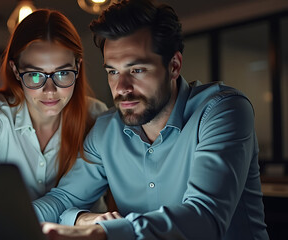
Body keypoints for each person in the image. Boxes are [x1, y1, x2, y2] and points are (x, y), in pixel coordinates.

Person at [33, 0, 269, 239]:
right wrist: (76, 218)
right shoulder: (106, 131)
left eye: (137, 70)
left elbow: (204, 218)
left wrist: (102, 233)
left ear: (174, 66)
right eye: (113, 72)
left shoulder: (223, 111)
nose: (122, 88)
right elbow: (64, 200)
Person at [0, 9, 107, 202]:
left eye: (62, 73)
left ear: (77, 68)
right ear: (15, 69)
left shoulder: (96, 116)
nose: (50, 90)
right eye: (35, 75)